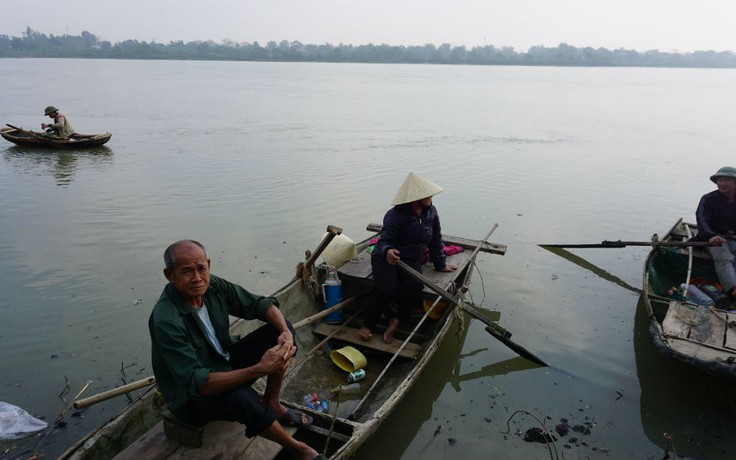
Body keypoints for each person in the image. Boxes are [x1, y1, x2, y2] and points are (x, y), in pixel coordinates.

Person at [149, 240, 323, 460]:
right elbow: (196, 383)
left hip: (224, 363)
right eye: (186, 272)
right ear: (170, 275)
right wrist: (259, 369)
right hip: (192, 399)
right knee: (242, 398)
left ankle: (273, 404)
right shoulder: (167, 319)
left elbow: (259, 304)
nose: (197, 278)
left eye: (201, 268)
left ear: (208, 265)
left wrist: (285, 334)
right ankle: (301, 450)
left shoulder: (212, 287)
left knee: (280, 329)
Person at [360, 173, 457, 344]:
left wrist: (440, 264)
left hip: (412, 259)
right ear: (417, 199)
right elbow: (384, 241)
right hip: (386, 258)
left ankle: (396, 320)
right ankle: (368, 323)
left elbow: (435, 239)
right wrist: (388, 251)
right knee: (386, 290)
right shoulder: (395, 215)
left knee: (415, 286)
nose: (432, 198)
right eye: (429, 195)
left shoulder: (431, 212)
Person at [696, 166, 736, 301]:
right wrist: (711, 236)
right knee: (724, 257)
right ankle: (733, 290)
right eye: (719, 180)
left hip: (732, 238)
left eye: (726, 180)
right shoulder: (708, 199)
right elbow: (702, 220)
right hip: (711, 237)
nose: (721, 183)